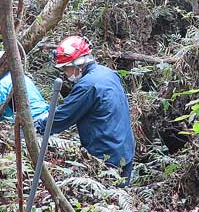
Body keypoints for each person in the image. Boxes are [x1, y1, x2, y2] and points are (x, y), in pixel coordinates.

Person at [37, 36, 135, 186]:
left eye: (66, 67)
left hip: (106, 155)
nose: (65, 72)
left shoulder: (88, 85)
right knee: (118, 201)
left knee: (105, 202)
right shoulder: (108, 74)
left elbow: (64, 116)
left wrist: (38, 127)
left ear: (78, 64)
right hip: (125, 149)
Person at [0, 51, 50, 123]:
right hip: (43, 115)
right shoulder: (19, 77)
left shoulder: (7, 78)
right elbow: (8, 107)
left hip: (33, 117)